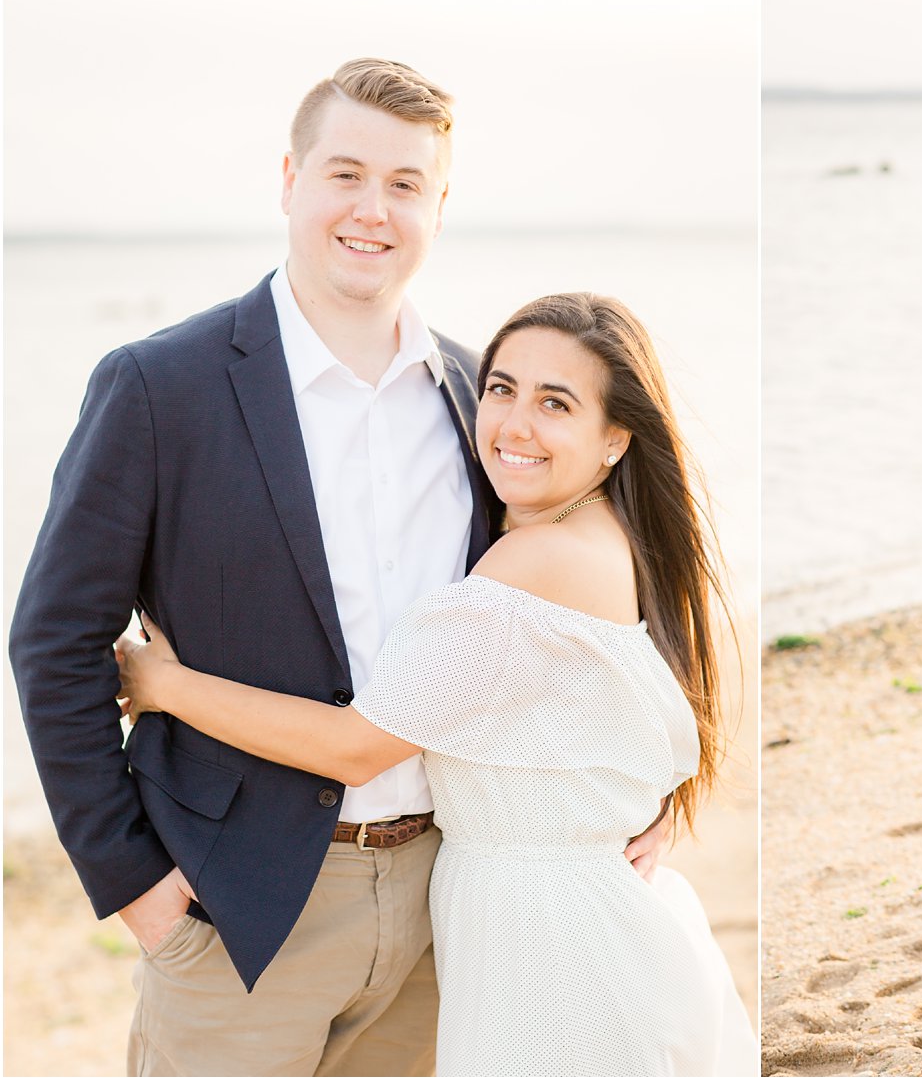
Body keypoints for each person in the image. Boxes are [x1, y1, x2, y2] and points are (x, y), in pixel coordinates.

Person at [8, 58, 667, 1076]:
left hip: (445, 900)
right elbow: (53, 639)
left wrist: (643, 793)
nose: (373, 208)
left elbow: (587, 600)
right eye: (345, 173)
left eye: (406, 183)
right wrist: (136, 885)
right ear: (288, 180)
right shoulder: (158, 386)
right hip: (236, 909)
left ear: (439, 208)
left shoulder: (477, 398)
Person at [117, 292, 759, 1076]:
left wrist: (166, 684)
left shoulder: (531, 567)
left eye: (556, 403)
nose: (515, 424)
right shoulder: (608, 539)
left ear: (616, 437)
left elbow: (356, 748)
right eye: (501, 388)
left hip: (551, 949)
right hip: (587, 919)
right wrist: (634, 805)